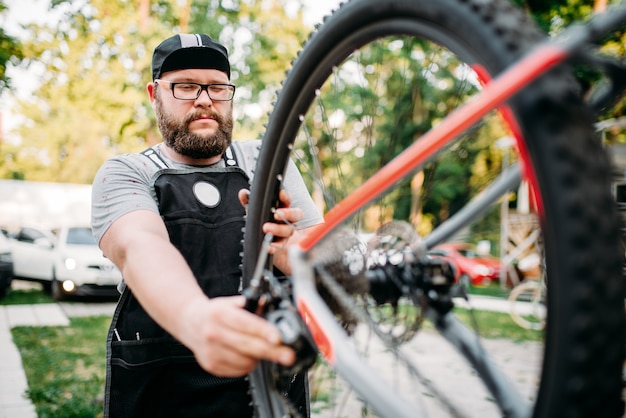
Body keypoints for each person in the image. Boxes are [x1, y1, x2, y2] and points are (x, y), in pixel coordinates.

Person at [91, 33, 323, 417]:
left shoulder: (267, 161)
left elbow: (325, 258)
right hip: (163, 392)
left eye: (217, 87)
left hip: (267, 389)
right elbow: (140, 246)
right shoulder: (128, 172)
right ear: (155, 93)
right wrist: (194, 319)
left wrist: (286, 250)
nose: (204, 99)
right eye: (185, 86)